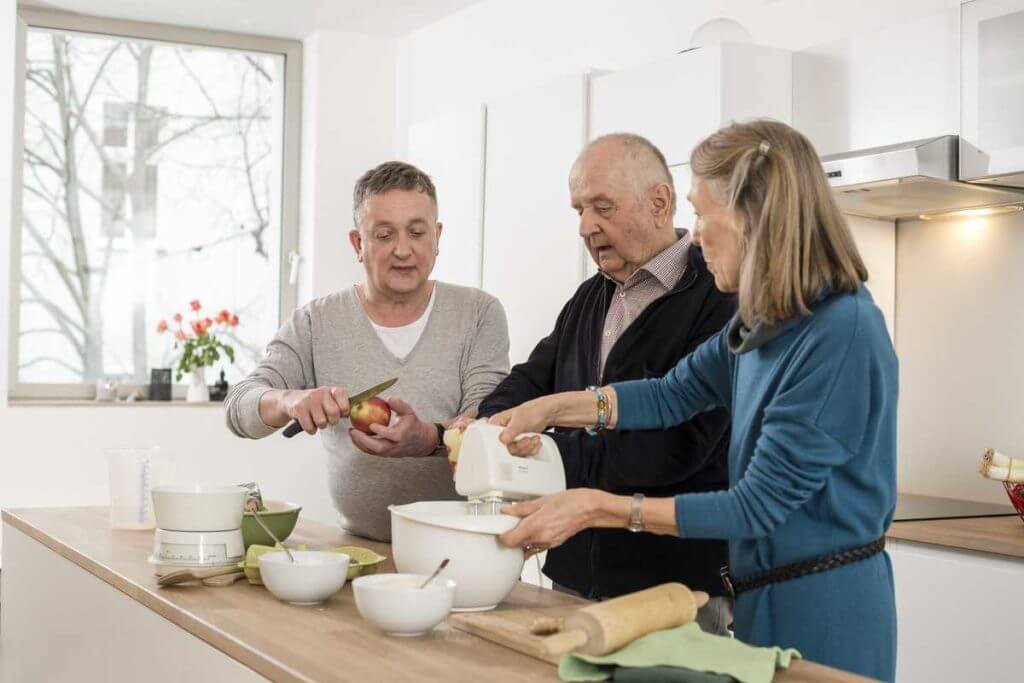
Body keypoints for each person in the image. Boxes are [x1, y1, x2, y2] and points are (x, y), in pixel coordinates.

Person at [488, 120, 898, 681]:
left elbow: (755, 506)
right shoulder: (762, 325)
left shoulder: (839, 330)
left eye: (704, 215)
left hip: (825, 604)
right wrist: (552, 408)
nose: (696, 235)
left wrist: (598, 505)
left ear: (756, 218)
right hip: (758, 597)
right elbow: (669, 394)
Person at [471, 133, 736, 633]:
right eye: (578, 210)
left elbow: (676, 447)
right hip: (573, 573)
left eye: (602, 207)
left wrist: (541, 455)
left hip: (674, 589)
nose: (586, 226)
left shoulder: (719, 297)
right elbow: (533, 378)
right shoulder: (591, 295)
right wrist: (487, 424)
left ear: (659, 202)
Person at [225, 161, 510, 541]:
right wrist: (290, 400)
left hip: (462, 545)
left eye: (417, 231)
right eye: (384, 234)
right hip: (356, 549)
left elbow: (492, 420)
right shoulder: (315, 322)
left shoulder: (479, 313)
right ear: (358, 244)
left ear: (437, 237)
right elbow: (239, 409)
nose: (403, 249)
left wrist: (430, 438)